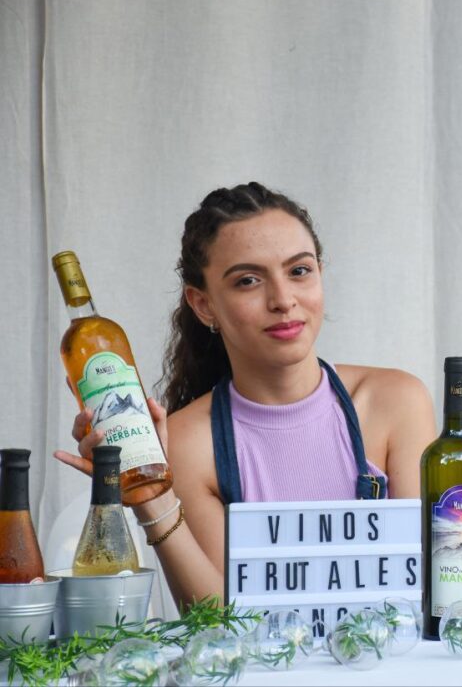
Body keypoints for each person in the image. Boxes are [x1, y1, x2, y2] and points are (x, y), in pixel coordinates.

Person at [55, 182, 437, 608]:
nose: (283, 300)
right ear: (204, 305)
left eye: (299, 271)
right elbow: (221, 623)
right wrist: (153, 500)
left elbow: (428, 591)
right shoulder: (186, 443)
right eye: (248, 281)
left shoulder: (396, 402)